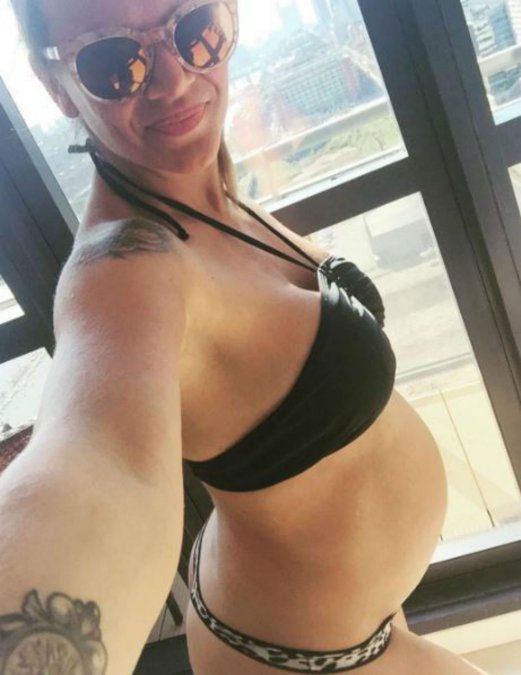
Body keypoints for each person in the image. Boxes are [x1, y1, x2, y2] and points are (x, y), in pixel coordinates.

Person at [0, 1, 489, 673]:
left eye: (194, 28)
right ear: (56, 85)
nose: (173, 79)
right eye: (114, 62)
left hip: (352, 611)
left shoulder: (205, 190)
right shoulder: (124, 273)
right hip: (298, 653)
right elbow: (97, 467)